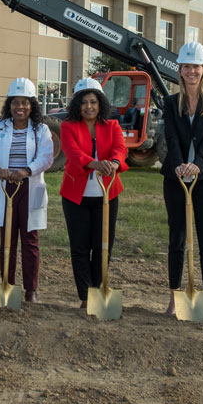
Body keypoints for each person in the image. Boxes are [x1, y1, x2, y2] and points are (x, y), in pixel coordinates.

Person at [160, 41, 203, 316]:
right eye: (186, 67)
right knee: (177, 238)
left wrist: (197, 165)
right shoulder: (171, 102)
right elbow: (171, 138)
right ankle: (175, 298)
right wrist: (177, 165)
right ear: (180, 70)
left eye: (196, 67)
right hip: (175, 178)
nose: (191, 72)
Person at [0, 78, 54, 303]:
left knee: (30, 240)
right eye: (15, 102)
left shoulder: (41, 130)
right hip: (6, 187)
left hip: (29, 187)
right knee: (7, 239)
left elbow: (46, 157)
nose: (20, 107)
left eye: (25, 102)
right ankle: (7, 285)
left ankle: (31, 290)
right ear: (9, 105)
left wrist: (26, 170)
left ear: (32, 105)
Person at [59, 77, 128, 308]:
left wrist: (115, 162)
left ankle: (96, 289)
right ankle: (84, 297)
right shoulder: (68, 126)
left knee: (103, 245)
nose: (89, 107)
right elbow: (72, 153)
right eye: (84, 102)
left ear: (100, 104)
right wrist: (95, 164)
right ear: (77, 105)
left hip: (106, 195)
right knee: (79, 247)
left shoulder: (112, 126)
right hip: (75, 197)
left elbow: (120, 148)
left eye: (93, 102)